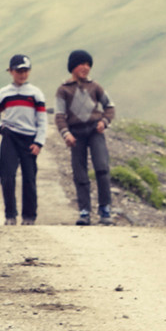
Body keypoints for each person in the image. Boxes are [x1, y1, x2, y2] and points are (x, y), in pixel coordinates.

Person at [54, 49, 116, 225]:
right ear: (73, 66)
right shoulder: (63, 90)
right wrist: (66, 134)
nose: (86, 68)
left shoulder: (95, 87)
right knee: (79, 172)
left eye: (88, 64)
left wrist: (104, 121)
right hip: (76, 134)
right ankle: (84, 211)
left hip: (95, 131)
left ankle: (105, 210)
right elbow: (59, 115)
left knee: (102, 167)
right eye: (82, 64)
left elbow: (109, 107)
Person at [0, 54, 47, 225]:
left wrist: (39, 142)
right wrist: (0, 128)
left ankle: (29, 216)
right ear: (11, 71)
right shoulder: (3, 93)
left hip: (29, 138)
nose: (22, 74)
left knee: (29, 177)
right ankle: (10, 215)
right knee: (7, 175)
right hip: (10, 137)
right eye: (19, 71)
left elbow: (42, 120)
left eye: (26, 70)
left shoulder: (36, 94)